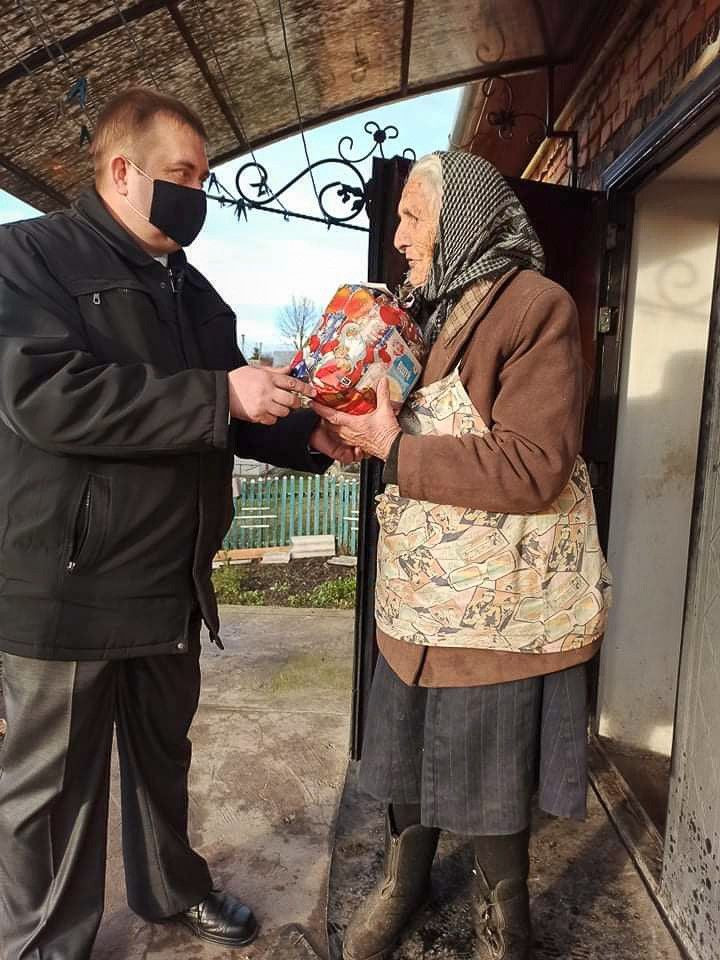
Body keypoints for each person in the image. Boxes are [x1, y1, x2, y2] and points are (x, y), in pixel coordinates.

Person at [0, 87, 355, 959]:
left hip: (170, 582)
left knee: (163, 759)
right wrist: (216, 392)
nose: (198, 194)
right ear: (121, 171)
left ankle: (172, 890)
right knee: (51, 793)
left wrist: (312, 435)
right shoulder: (30, 258)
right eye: (183, 175)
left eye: (204, 177)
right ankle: (44, 943)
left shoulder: (194, 293)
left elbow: (233, 407)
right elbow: (43, 398)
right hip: (68, 583)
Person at [313, 151, 612, 960]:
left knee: (489, 767)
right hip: (415, 597)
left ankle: (505, 907)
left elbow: (534, 465)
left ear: (465, 220)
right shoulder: (419, 315)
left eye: (412, 216)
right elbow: (379, 421)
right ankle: (405, 879)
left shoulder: (534, 308)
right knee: (402, 748)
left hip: (494, 609)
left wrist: (396, 448)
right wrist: (344, 432)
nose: (398, 235)